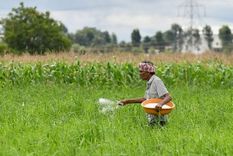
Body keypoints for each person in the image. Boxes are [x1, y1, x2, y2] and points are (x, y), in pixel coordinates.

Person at [119, 61, 172, 126]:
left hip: (160, 120)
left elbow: (168, 97)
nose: (139, 74)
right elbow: (145, 100)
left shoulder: (157, 81)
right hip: (152, 119)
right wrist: (127, 101)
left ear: (148, 72)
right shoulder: (149, 82)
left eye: (141, 71)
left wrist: (160, 104)